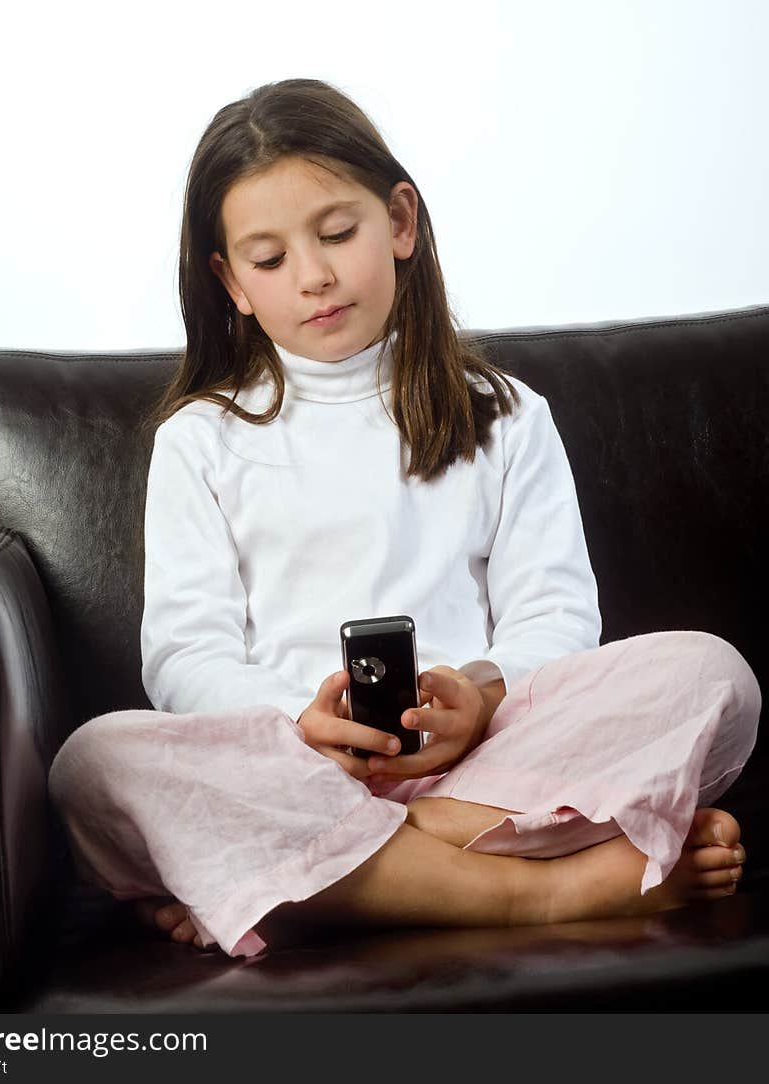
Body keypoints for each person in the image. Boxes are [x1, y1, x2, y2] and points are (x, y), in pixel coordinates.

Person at [47, 78, 761, 958]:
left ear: (400, 223)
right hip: (291, 772)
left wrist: (482, 695)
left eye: (338, 234)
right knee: (94, 763)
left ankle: (296, 882)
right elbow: (186, 656)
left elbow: (558, 617)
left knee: (712, 675)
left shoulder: (504, 414)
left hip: (484, 767)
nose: (313, 276)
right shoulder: (203, 440)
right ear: (231, 283)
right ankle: (536, 892)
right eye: (269, 261)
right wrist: (299, 726)